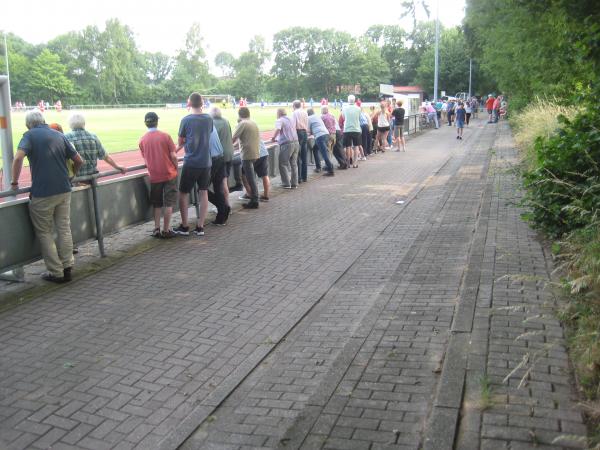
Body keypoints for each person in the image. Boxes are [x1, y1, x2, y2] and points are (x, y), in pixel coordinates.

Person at [10, 110, 83, 283]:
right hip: (64, 189)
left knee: (44, 232)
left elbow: (18, 157)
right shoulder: (58, 134)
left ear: (28, 124)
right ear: (43, 120)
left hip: (43, 192)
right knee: (64, 228)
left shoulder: (29, 136)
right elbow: (79, 160)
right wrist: (72, 175)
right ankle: (67, 266)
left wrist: (14, 182)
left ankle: (55, 272)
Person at [174, 92, 213, 237]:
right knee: (204, 192)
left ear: (189, 103)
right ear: (202, 103)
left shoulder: (186, 120)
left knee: (183, 193)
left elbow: (180, 141)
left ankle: (185, 226)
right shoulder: (208, 119)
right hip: (206, 162)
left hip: (191, 162)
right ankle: (200, 226)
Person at [138, 112, 179, 238]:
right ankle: (166, 230)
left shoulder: (142, 140)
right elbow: (173, 156)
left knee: (156, 203)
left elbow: (145, 159)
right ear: (157, 121)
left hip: (154, 176)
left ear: (146, 123)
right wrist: (176, 167)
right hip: (169, 174)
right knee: (168, 203)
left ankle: (156, 229)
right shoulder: (165, 136)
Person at [65, 113, 126, 182]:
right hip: (93, 178)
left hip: (76, 180)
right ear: (84, 123)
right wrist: (117, 166)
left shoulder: (66, 138)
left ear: (70, 124)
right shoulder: (93, 137)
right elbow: (105, 156)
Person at [232, 107, 260, 209]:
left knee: (250, 177)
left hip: (247, 154)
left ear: (239, 115)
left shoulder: (242, 123)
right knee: (245, 173)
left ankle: (254, 199)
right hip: (255, 153)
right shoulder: (253, 123)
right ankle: (250, 194)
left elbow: (233, 138)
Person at [210, 107, 236, 207]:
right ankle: (225, 204)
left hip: (220, 156)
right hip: (229, 153)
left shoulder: (212, 123)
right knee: (225, 179)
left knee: (222, 182)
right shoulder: (226, 121)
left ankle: (225, 206)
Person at [206, 126, 230, 225]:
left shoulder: (202, 125)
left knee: (202, 189)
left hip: (213, 160)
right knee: (218, 188)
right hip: (220, 157)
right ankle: (222, 214)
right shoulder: (211, 125)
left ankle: (223, 208)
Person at [271, 108, 299, 188]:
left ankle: (286, 183)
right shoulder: (291, 119)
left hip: (287, 144)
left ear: (279, 113)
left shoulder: (280, 120)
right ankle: (294, 183)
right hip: (296, 142)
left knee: (283, 163)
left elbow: (278, 129)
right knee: (294, 164)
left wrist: (273, 138)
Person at [307, 108, 334, 176]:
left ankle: (330, 170)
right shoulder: (318, 116)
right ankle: (318, 167)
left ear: (308, 113)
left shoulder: (309, 118)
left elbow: (308, 130)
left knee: (324, 153)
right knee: (315, 149)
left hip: (319, 136)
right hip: (326, 134)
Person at [342, 95, 363, 168]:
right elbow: (359, 118)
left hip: (347, 129)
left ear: (348, 100)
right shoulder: (358, 108)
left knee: (348, 147)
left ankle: (348, 163)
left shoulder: (344, 108)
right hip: (356, 129)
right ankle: (355, 163)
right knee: (356, 146)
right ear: (354, 100)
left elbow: (343, 117)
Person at [292, 100, 309, 183]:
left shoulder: (295, 113)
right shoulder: (305, 112)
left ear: (294, 106)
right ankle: (304, 177)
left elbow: (293, 125)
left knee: (297, 156)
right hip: (305, 132)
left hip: (298, 133)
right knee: (304, 155)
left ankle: (298, 178)